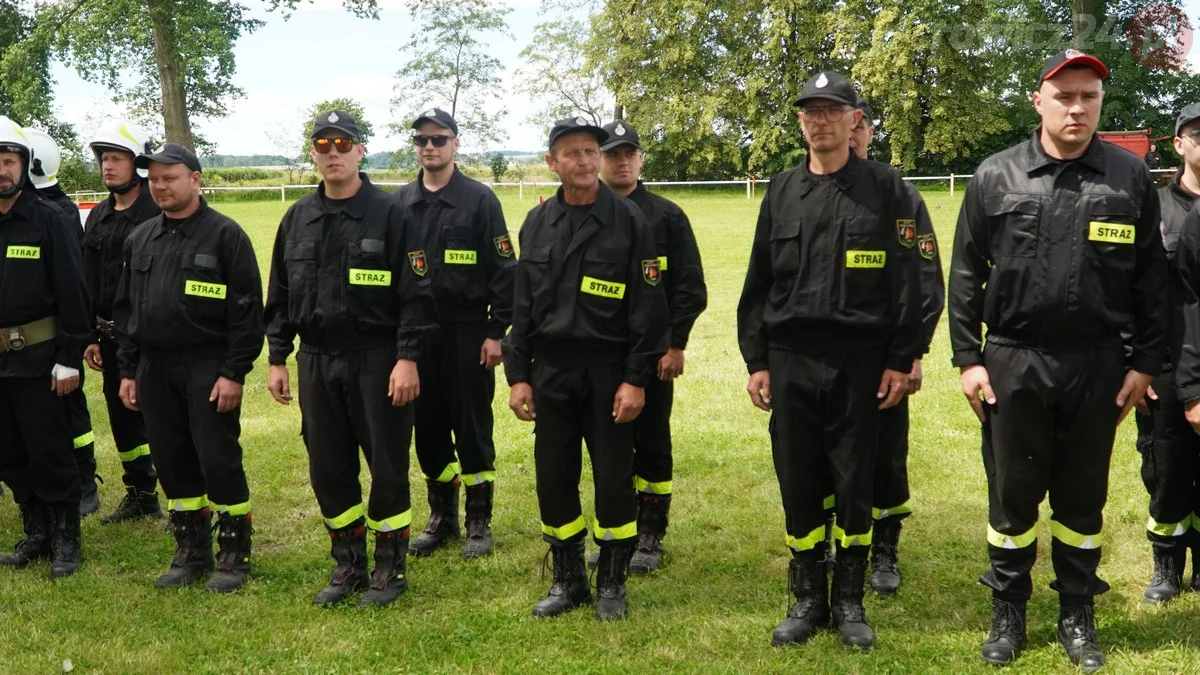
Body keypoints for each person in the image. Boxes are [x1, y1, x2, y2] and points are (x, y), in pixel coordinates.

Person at [949, 51, 1167, 671]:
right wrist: (968, 358)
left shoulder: (1128, 179)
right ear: (1038, 101)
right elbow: (965, 274)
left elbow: (1153, 281)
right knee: (1013, 495)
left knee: (1081, 497)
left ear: (1100, 103)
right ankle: (1008, 608)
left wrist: (1145, 362)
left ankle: (1077, 612)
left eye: (1088, 97)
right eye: (1064, 95)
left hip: (1097, 363)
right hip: (1013, 361)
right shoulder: (996, 176)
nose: (1077, 107)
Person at [737, 71, 921, 652]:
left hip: (862, 360)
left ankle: (849, 601)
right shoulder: (782, 190)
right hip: (792, 359)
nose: (820, 120)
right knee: (798, 476)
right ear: (800, 122)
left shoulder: (888, 189)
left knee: (855, 479)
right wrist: (757, 358)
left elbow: (915, 281)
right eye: (810, 112)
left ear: (854, 120)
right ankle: (807, 597)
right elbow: (759, 282)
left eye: (831, 110)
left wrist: (901, 357)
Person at [264, 110, 436, 608]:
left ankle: (388, 568)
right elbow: (279, 294)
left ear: (361, 151)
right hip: (316, 360)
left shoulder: (391, 215)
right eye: (323, 145)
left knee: (386, 465)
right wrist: (277, 358)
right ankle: (348, 564)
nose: (333, 153)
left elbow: (416, 295)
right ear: (313, 154)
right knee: (328, 467)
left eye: (343, 144)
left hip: (377, 358)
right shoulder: (297, 217)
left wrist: (407, 358)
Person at [503, 116, 669, 621]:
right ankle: (568, 578)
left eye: (589, 151)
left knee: (614, 480)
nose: (582, 160)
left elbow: (648, 308)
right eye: (570, 152)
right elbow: (522, 308)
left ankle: (612, 584)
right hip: (551, 372)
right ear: (552, 162)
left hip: (608, 371)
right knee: (553, 478)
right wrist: (518, 376)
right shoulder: (537, 222)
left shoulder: (629, 221)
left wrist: (635, 379)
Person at [113, 144, 264, 593]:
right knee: (171, 459)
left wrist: (234, 372)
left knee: (217, 458)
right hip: (154, 368)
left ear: (195, 179)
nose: (160, 186)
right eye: (154, 179)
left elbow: (246, 311)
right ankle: (191, 549)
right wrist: (127, 370)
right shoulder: (139, 238)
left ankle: (234, 552)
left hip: (207, 366)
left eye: (169, 178)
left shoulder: (225, 235)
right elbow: (126, 312)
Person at [396, 108, 515, 560]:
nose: (430, 146)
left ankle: (479, 521)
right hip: (417, 336)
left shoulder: (480, 201)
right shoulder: (400, 202)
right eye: (422, 140)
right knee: (425, 428)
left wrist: (495, 330)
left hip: (468, 332)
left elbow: (505, 271)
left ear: (455, 144)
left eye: (439, 139)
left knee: (471, 427)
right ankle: (441, 515)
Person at [597, 119, 707, 573]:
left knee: (652, 443)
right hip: (601, 354)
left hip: (654, 355)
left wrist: (675, 345)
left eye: (629, 153)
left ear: (641, 159)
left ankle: (650, 535)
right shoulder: (587, 213)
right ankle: (618, 531)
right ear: (600, 160)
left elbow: (689, 288)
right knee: (608, 446)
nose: (622, 161)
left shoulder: (667, 216)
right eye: (612, 154)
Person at [847, 98, 945, 595]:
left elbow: (926, 278)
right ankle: (833, 547)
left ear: (866, 129)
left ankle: (885, 547)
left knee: (885, 454)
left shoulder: (898, 193)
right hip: (823, 358)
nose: (851, 132)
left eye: (860, 123)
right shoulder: (803, 188)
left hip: (885, 355)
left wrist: (913, 353)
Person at [0, 116, 91, 579]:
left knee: (49, 450)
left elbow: (75, 294)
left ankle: (66, 540)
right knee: (9, 452)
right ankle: (35, 532)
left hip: (41, 358)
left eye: (8, 160)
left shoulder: (50, 219)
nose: (1, 169)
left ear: (24, 164)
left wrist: (68, 358)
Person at [81, 120, 164, 524]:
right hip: (110, 339)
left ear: (138, 164)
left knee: (161, 419)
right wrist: (91, 335)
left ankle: (187, 498)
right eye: (103, 160)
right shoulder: (98, 215)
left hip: (150, 339)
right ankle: (141, 492)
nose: (107, 167)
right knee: (123, 419)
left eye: (116, 158)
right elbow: (88, 278)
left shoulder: (156, 211)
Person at [1137, 103, 1200, 602]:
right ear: (1178, 144)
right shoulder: (1154, 208)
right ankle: (1166, 564)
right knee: (1166, 467)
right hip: (1165, 363)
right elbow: (1129, 290)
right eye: (1197, 135)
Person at [25, 127, 101, 518]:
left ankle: (85, 480)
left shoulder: (56, 211)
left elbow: (71, 284)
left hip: (57, 335)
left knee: (70, 412)